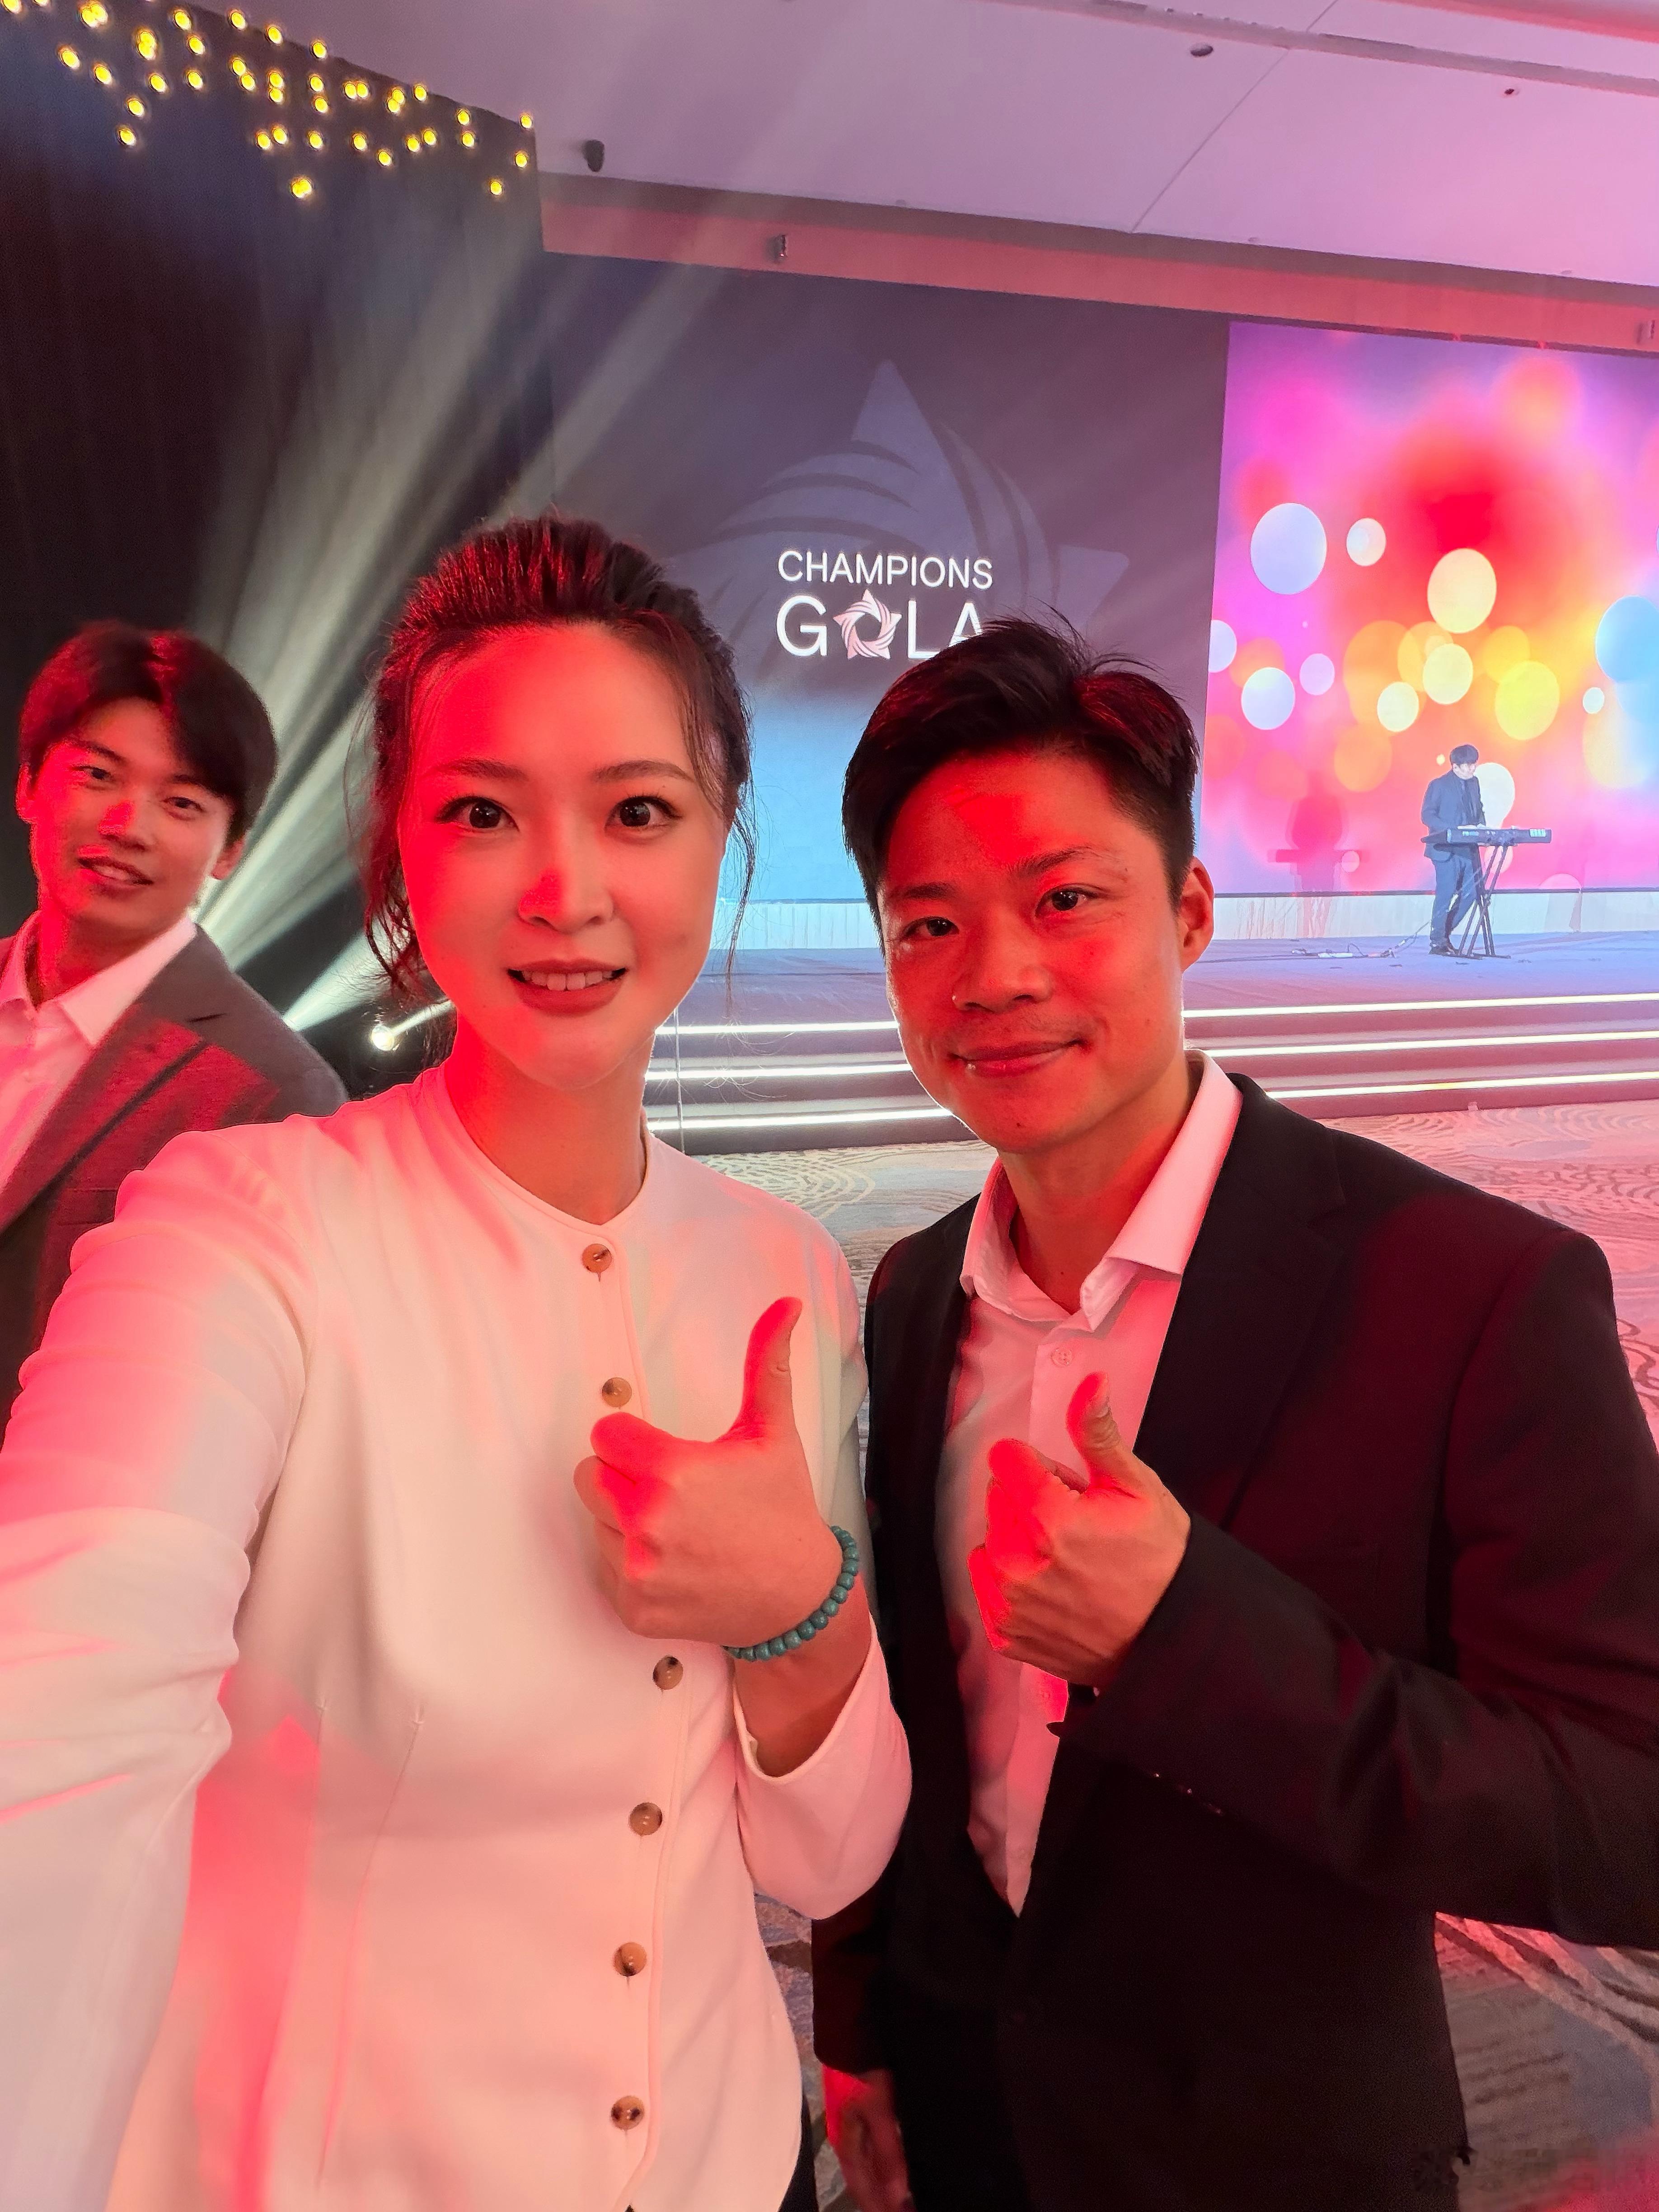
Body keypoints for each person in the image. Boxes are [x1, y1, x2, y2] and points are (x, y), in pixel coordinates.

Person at [0, 516, 910, 2212]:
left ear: (722, 833)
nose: (565, 891)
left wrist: (801, 1602)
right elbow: (58, 1700)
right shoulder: (242, 1233)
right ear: (399, 849)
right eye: (484, 814)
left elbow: (827, 1850)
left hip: (724, 2165)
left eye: (637, 812)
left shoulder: (784, 1269)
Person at [812, 619, 1659, 2212]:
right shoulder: (915, 1289)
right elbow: (912, 1707)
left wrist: (1187, 1636)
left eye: (1066, 899)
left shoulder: (1467, 1290)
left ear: (1190, 911)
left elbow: (1627, 1817)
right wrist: (858, 2021)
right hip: (961, 2117)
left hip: (1268, 2156)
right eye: (929, 923)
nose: (996, 975)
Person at [0, 621, 344, 1420]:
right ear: (28, 785)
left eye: (182, 803)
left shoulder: (276, 1092)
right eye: (97, 774)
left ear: (230, 851)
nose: (130, 824)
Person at [1421, 740, 1486, 952]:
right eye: (1468, 765)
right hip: (1445, 849)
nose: (1472, 769)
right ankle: (1438, 940)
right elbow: (1427, 815)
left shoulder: (1474, 783)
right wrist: (1451, 830)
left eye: (1474, 764)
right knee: (1446, 894)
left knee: (1473, 892)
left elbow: (1478, 810)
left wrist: (1482, 828)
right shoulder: (1438, 785)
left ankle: (1443, 933)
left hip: (1468, 849)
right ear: (1455, 766)